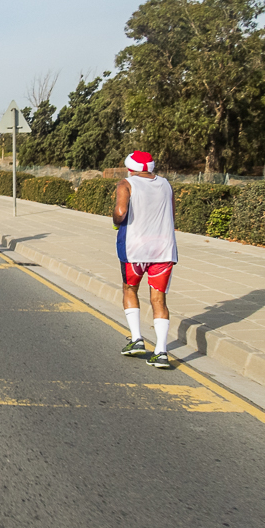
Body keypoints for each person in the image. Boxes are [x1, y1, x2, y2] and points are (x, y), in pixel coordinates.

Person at [113, 151, 177, 369]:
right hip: (163, 250)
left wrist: (116, 220)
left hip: (135, 249)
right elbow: (172, 215)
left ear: (130, 168)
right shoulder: (166, 185)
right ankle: (161, 352)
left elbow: (121, 212)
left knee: (130, 289)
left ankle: (137, 339)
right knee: (159, 300)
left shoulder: (126, 184)